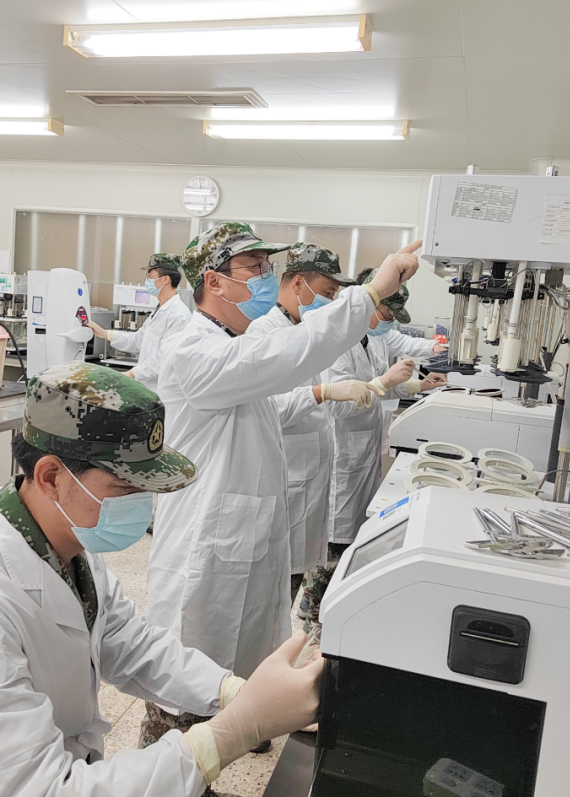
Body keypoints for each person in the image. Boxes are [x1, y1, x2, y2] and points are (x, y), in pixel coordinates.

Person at [0, 362, 323, 797]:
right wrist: (231, 732)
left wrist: (232, 693)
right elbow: (41, 790)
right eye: (124, 488)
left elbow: (133, 645)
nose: (141, 504)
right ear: (51, 476)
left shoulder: (64, 541)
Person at [142, 221, 423, 749]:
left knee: (242, 648)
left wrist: (327, 393)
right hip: (205, 537)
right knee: (186, 674)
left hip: (241, 529)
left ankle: (246, 720)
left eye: (267, 265)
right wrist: (369, 294)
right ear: (214, 280)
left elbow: (270, 403)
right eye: (253, 267)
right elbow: (286, 355)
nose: (266, 276)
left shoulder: (234, 343)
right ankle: (169, 762)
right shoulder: (192, 348)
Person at [297, 271, 446, 631]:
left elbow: (381, 387)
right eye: (387, 313)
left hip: (364, 445)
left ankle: (325, 604)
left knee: (353, 532)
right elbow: (338, 405)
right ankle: (314, 611)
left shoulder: (371, 339)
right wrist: (383, 381)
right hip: (343, 451)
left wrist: (415, 385)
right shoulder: (337, 343)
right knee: (335, 537)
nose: (390, 321)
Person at [246, 242, 377, 604]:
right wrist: (321, 393)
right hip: (286, 480)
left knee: (293, 580)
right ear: (298, 283)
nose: (331, 301)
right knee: (273, 591)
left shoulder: (303, 330)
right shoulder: (264, 333)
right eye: (327, 293)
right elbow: (267, 411)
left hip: (308, 479)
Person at [86, 253, 191, 394]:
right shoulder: (159, 311)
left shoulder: (178, 316)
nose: (147, 280)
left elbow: (165, 358)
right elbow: (137, 340)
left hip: (163, 393)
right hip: (148, 388)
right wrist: (105, 334)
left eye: (150, 276)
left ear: (165, 279)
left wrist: (132, 373)